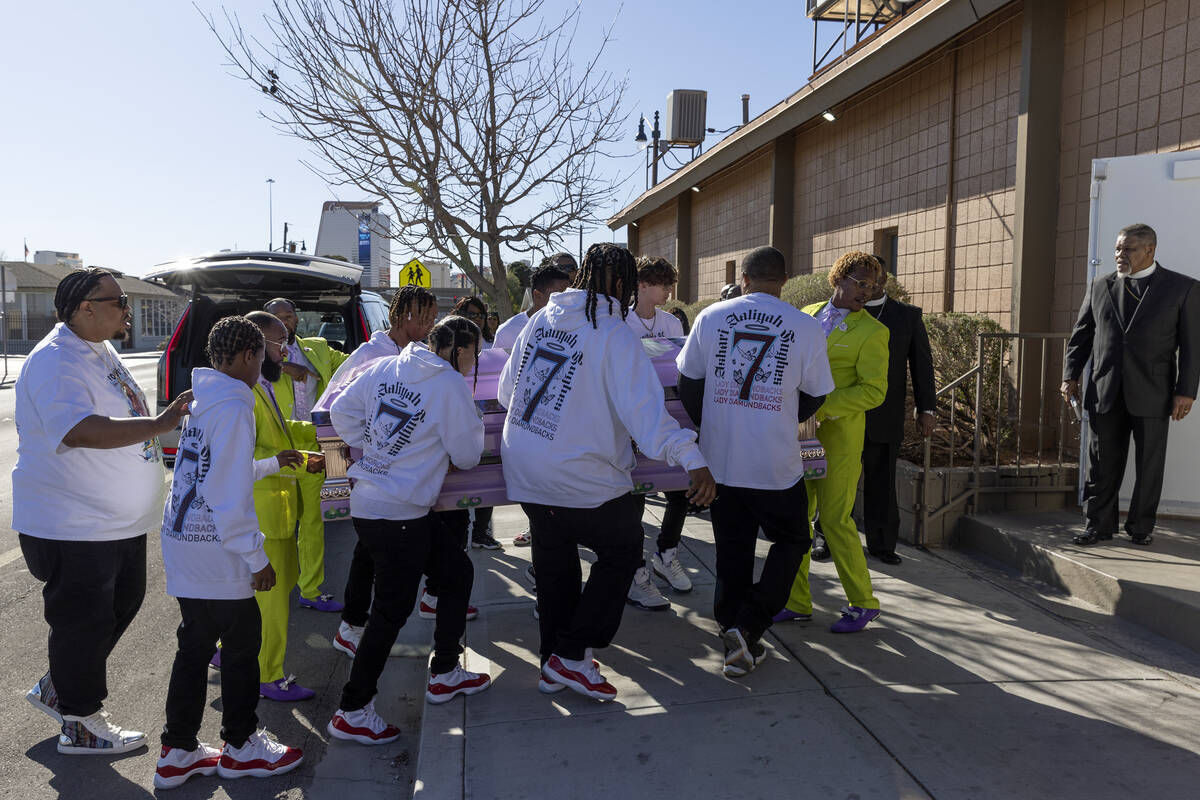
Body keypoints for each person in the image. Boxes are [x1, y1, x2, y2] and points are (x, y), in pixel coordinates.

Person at [497, 243, 715, 702]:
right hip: (576, 475)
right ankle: (572, 653)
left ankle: (553, 662)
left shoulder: (539, 320)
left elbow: (505, 392)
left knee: (554, 563)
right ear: (621, 284)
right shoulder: (613, 332)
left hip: (526, 468)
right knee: (622, 549)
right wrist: (692, 459)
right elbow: (647, 419)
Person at [15, 268, 191, 754]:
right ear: (84, 307)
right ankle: (80, 722)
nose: (126, 308)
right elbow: (80, 429)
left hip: (112, 523)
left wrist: (161, 423)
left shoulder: (98, 348)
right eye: (116, 301)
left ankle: (61, 686)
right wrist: (159, 424)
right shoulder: (56, 359)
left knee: (121, 604)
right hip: (74, 523)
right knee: (83, 621)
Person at [327, 316, 491, 745]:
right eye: (473, 351)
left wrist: (378, 443)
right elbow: (470, 454)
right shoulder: (449, 385)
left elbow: (341, 411)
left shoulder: (386, 367)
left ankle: (445, 672)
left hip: (375, 503)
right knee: (390, 614)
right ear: (457, 348)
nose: (475, 361)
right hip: (399, 511)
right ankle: (352, 709)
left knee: (456, 573)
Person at [155, 316, 303, 788]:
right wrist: (256, 559)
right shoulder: (236, 408)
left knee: (194, 648)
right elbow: (227, 494)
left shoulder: (203, 401)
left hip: (184, 544)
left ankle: (177, 749)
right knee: (242, 649)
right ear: (245, 357)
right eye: (261, 355)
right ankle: (240, 746)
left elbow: (214, 472)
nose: (263, 365)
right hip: (219, 552)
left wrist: (270, 463)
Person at [676, 246, 835, 678]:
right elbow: (818, 392)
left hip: (722, 462)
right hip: (774, 462)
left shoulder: (711, 317)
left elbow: (688, 381)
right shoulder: (805, 326)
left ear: (743, 278)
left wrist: (713, 425)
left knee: (733, 550)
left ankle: (733, 630)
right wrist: (782, 416)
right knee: (794, 540)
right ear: (783, 280)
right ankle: (751, 623)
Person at [1063, 223, 1200, 546]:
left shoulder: (1183, 289)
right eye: (1117, 248)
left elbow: (1193, 347)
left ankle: (1141, 528)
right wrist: (1070, 375)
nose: (1119, 255)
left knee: (1149, 463)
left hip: (1154, 391)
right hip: (1105, 389)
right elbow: (1081, 336)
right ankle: (1098, 525)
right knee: (1101, 462)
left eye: (1128, 249)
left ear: (1149, 250)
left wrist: (1186, 391)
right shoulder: (1100, 285)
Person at [776, 251, 889, 634]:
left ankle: (863, 602)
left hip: (838, 438)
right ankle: (796, 601)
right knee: (796, 519)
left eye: (873, 286)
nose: (867, 291)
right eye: (861, 282)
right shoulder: (806, 313)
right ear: (838, 278)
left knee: (836, 521)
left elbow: (874, 392)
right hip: (799, 434)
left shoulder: (874, 332)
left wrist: (823, 407)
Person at [331, 286, 440, 659]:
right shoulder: (370, 355)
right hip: (372, 473)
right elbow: (331, 406)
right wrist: (370, 442)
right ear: (399, 316)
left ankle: (356, 622)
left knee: (372, 551)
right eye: (422, 317)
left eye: (432, 317)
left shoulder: (418, 357)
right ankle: (353, 625)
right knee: (369, 554)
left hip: (395, 477)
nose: (429, 324)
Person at [244, 311, 326, 701]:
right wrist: (294, 456)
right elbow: (248, 452)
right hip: (264, 515)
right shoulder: (243, 393)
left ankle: (232, 654)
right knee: (272, 606)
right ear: (256, 344)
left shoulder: (262, 384)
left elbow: (281, 431)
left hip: (277, 510)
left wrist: (321, 434)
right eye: (279, 343)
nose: (286, 350)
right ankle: (268, 675)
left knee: (274, 591)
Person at [263, 297, 350, 612]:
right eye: (280, 317)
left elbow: (355, 363)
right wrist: (284, 366)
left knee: (313, 523)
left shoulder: (319, 347)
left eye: (291, 315)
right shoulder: (260, 356)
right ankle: (267, 588)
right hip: (277, 448)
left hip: (316, 444)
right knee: (276, 526)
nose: (287, 321)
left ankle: (310, 590)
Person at [623, 256, 692, 611]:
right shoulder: (621, 321)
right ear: (643, 284)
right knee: (634, 499)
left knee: (679, 492)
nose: (668, 292)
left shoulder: (670, 322)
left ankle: (666, 554)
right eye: (663, 285)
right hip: (633, 422)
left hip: (669, 417)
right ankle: (636, 572)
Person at [857, 257, 936, 565]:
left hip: (884, 415)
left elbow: (922, 365)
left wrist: (926, 407)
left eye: (872, 277)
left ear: (884, 278)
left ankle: (882, 544)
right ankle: (826, 538)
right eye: (860, 278)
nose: (867, 283)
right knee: (834, 483)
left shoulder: (907, 316)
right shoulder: (841, 310)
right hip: (840, 416)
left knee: (882, 483)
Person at [491, 262, 573, 553]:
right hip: (523, 428)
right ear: (538, 295)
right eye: (560, 293)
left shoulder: (575, 326)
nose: (568, 298)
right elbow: (501, 386)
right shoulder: (510, 330)